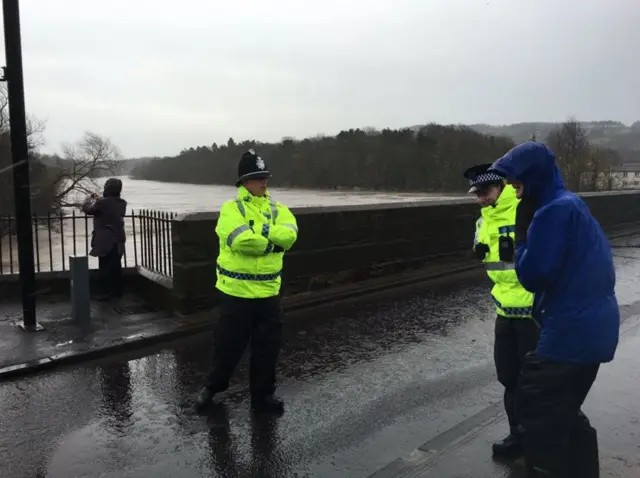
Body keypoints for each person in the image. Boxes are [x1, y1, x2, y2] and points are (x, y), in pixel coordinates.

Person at [488, 142, 619, 478]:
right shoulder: (571, 203)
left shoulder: (551, 212)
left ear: (532, 180)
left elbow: (534, 275)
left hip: (571, 333)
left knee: (539, 416)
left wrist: (520, 242)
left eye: (518, 186)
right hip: (593, 329)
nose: (516, 194)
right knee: (565, 414)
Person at [196, 149, 299, 414]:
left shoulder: (280, 209)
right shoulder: (231, 209)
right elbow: (242, 241)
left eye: (265, 177)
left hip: (268, 292)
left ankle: (263, 395)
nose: (263, 182)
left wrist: (261, 232)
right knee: (228, 346)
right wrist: (273, 244)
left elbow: (290, 235)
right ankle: (212, 388)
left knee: (268, 348)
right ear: (244, 182)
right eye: (257, 178)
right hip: (236, 292)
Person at [463, 163, 539, 459]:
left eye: (485, 191)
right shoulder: (483, 222)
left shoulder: (525, 212)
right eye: (477, 193)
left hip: (533, 311)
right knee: (509, 379)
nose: (480, 198)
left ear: (502, 186)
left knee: (536, 382)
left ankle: (541, 439)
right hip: (505, 312)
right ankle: (517, 435)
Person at [82, 178, 127, 301]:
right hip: (118, 238)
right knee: (116, 266)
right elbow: (108, 209)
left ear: (108, 188)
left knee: (105, 266)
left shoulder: (102, 203)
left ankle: (106, 293)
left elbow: (88, 210)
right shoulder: (122, 202)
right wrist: (98, 200)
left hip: (106, 240)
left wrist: (88, 200)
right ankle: (117, 291)